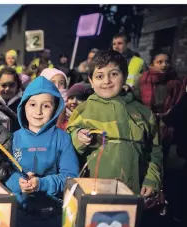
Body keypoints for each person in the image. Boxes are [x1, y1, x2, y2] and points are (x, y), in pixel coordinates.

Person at [5, 76, 79, 227]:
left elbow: (70, 177)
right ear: (23, 106)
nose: (38, 111)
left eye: (45, 105)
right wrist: (17, 183)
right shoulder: (15, 138)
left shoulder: (62, 138)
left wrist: (42, 183)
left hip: (54, 226)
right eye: (32, 104)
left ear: (55, 108)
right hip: (22, 224)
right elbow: (6, 174)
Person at [66, 49, 162, 195]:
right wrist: (78, 136)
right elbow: (68, 148)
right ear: (91, 81)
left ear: (124, 77)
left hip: (134, 190)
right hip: (94, 192)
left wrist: (152, 179)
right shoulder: (83, 111)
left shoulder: (144, 113)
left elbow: (155, 150)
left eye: (114, 74)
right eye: (99, 76)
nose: (107, 81)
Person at [133, 49, 182, 162]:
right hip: (146, 122)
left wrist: (169, 114)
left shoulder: (175, 82)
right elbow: (135, 101)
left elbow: (179, 102)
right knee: (144, 155)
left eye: (167, 62)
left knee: (162, 156)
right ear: (152, 64)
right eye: (160, 62)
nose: (164, 65)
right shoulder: (142, 80)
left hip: (166, 124)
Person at [0, 67, 23, 132]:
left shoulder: (23, 105)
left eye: (12, 85)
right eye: (3, 85)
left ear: (17, 86)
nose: (7, 89)